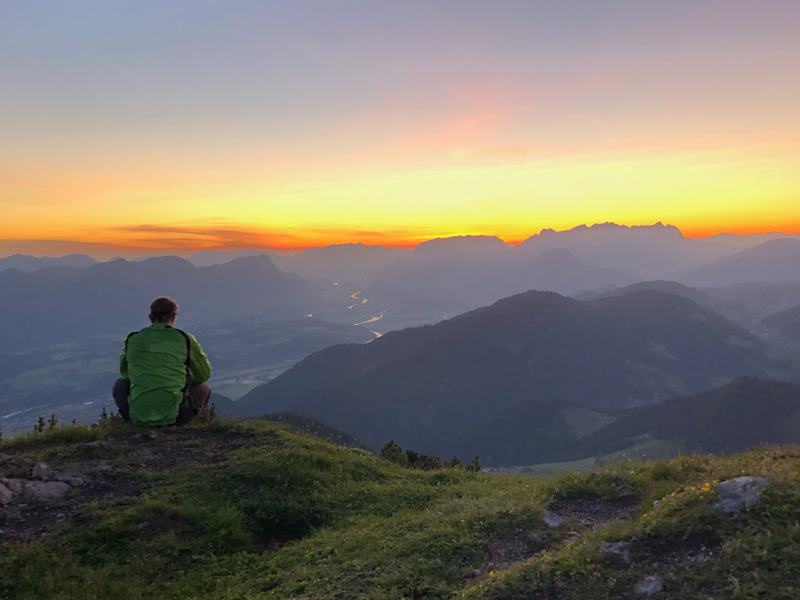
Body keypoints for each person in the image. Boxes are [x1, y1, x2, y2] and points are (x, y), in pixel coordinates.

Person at [113, 297, 212, 426]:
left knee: (120, 385)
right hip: (178, 415)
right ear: (174, 317)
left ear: (150, 317)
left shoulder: (132, 339)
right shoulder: (184, 339)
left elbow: (125, 374)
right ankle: (190, 426)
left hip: (139, 415)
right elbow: (204, 374)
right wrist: (181, 380)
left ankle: (135, 420)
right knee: (203, 388)